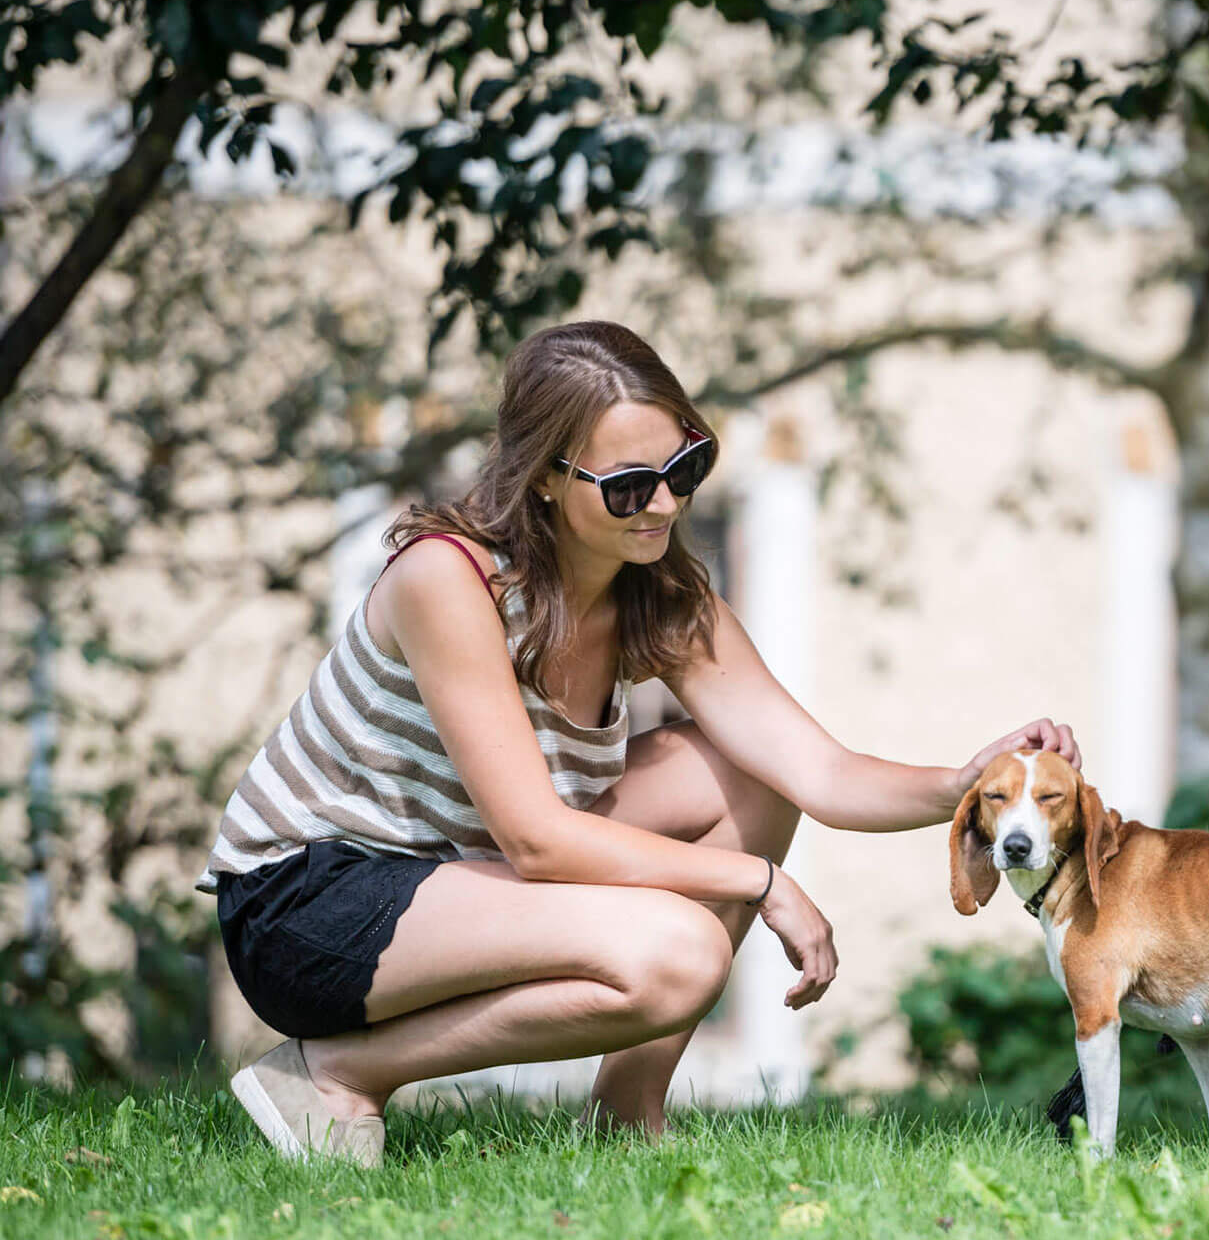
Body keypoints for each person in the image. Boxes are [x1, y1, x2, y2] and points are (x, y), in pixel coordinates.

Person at [198, 318, 1079, 1166]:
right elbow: (537, 842)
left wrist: (971, 782)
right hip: (310, 904)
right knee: (679, 954)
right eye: (627, 486)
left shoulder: (655, 594)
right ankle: (337, 1078)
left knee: (754, 777)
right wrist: (761, 882)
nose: (663, 504)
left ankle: (625, 1113)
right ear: (546, 477)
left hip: (461, 874)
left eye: (684, 467)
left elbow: (821, 773)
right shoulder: (448, 579)